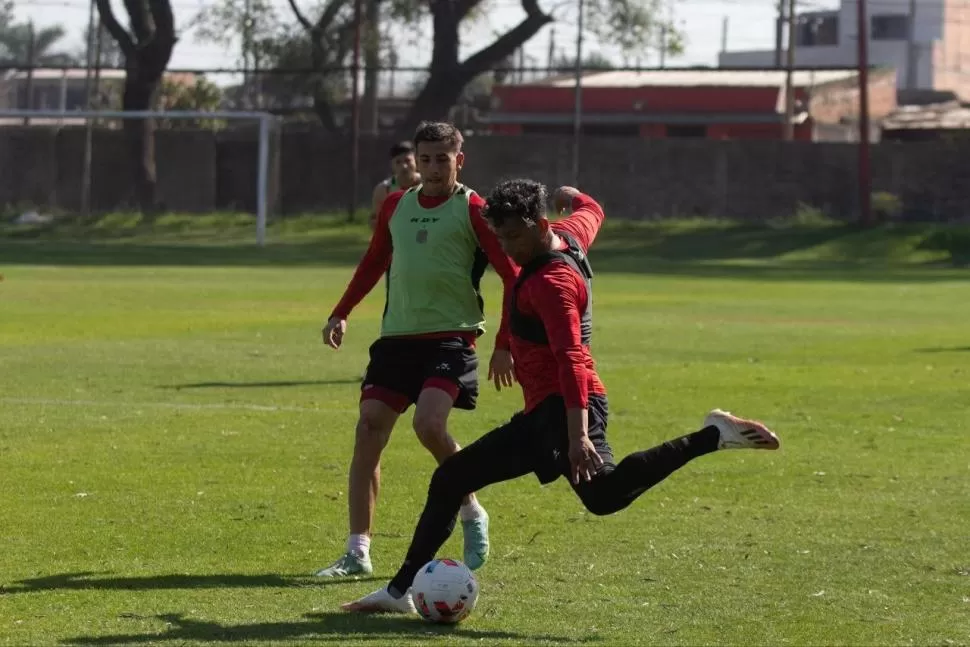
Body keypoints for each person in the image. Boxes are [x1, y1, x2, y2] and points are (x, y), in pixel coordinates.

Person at [340, 179, 781, 613]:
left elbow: (570, 358)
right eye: (499, 237)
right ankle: (713, 435)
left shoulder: (550, 285)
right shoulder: (570, 236)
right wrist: (578, 197)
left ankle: (398, 592)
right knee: (602, 496)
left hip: (561, 410)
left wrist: (577, 436)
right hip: (570, 405)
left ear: (538, 223)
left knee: (452, 478)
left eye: (514, 236)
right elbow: (593, 211)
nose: (507, 249)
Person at [316, 122, 520, 579]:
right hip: (397, 339)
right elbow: (373, 262)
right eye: (424, 159)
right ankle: (357, 552)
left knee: (429, 425)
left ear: (458, 160)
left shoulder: (474, 210)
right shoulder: (396, 204)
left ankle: (470, 506)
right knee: (369, 430)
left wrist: (505, 344)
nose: (430, 168)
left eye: (440, 159)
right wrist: (341, 311)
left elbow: (512, 276)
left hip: (452, 336)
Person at [369, 141, 421, 231]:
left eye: (408, 161)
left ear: (416, 160)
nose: (404, 166)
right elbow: (375, 220)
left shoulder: (428, 183)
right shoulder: (384, 190)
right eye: (398, 162)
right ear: (392, 166)